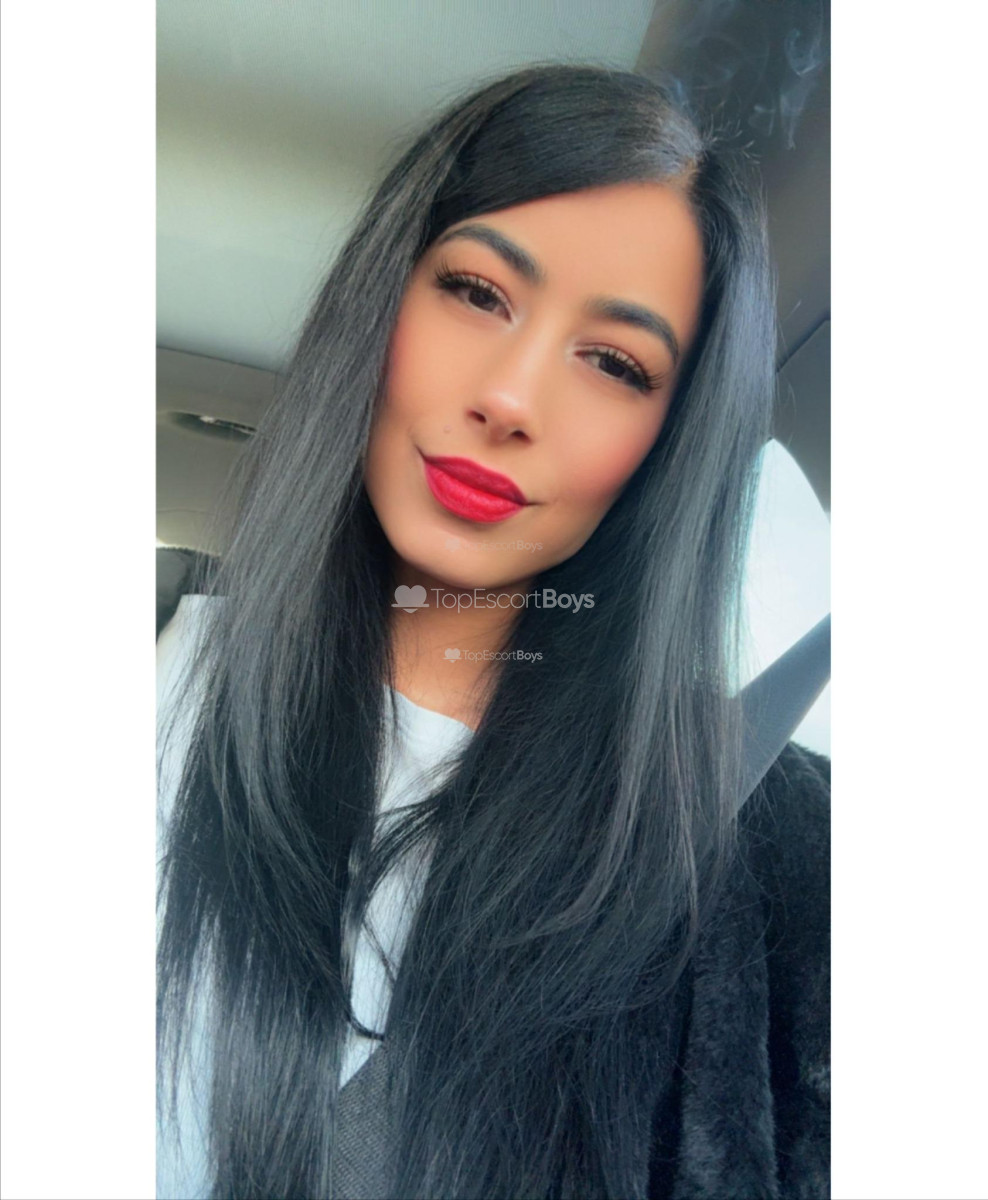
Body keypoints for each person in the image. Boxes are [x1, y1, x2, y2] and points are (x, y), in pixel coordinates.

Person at [157, 62, 830, 1199]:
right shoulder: (151, 674)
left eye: (614, 363)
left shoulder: (757, 855)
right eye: (477, 292)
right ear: (381, 300)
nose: (511, 397)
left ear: (667, 445)